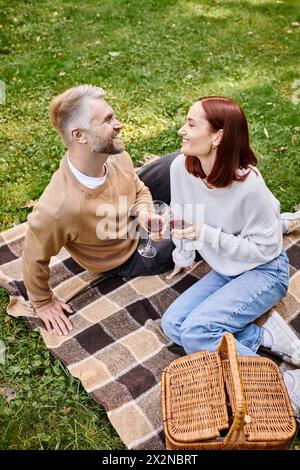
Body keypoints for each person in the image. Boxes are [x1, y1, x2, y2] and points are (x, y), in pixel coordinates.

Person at [161, 96, 300, 418]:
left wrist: (205, 234)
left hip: (264, 270)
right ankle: (261, 335)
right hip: (227, 269)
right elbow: (182, 217)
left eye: (191, 124)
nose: (182, 130)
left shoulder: (250, 187)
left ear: (218, 136)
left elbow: (264, 250)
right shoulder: (180, 168)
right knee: (174, 323)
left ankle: (283, 386)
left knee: (197, 332)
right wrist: (183, 254)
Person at [21, 84, 175, 337]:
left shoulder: (113, 154)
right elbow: (33, 255)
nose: (119, 124)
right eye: (107, 121)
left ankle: (236, 180)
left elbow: (138, 188)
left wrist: (145, 212)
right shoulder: (60, 207)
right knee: (193, 231)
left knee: (181, 160)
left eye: (113, 116)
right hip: (123, 255)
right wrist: (42, 302)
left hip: (132, 219)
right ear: (79, 135)